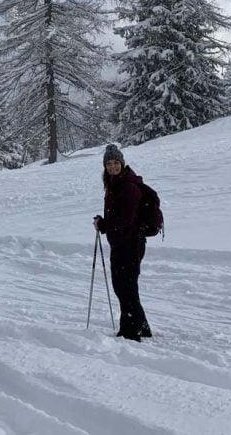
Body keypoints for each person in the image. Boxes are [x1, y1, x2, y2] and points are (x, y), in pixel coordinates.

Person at [92, 144, 153, 342]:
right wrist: (104, 224)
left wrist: (105, 225)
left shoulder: (127, 186)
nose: (112, 167)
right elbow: (117, 219)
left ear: (122, 163)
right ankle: (142, 327)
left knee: (124, 288)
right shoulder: (113, 184)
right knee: (127, 287)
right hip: (121, 243)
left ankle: (129, 332)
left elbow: (126, 220)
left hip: (130, 243)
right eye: (108, 163)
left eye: (115, 163)